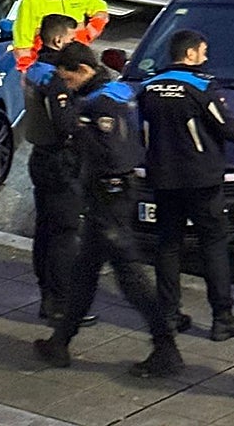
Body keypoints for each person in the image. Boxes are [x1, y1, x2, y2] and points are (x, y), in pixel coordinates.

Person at [34, 43, 184, 378]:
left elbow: (82, 138)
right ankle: (61, 341)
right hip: (115, 191)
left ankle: (166, 346)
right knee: (85, 271)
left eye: (67, 78)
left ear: (82, 71)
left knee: (130, 275)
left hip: (109, 197)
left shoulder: (94, 104)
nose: (66, 84)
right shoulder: (118, 90)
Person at [138, 29, 234, 341]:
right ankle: (222, 318)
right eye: (203, 51)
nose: (206, 56)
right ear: (190, 55)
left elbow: (142, 131)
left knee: (168, 245)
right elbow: (229, 128)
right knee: (213, 244)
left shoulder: (148, 88)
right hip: (201, 181)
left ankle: (169, 314)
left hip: (163, 179)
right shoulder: (201, 86)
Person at [24, 13, 95, 329]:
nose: (77, 44)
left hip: (40, 158)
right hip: (58, 162)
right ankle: (62, 303)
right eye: (72, 38)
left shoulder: (34, 70)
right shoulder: (55, 79)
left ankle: (47, 297)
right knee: (65, 234)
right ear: (58, 40)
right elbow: (67, 126)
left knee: (46, 230)